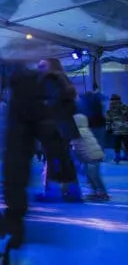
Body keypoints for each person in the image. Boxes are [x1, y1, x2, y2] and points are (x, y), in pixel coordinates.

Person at [35, 58, 81, 203]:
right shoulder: (65, 81)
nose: (39, 68)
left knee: (53, 159)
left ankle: (52, 192)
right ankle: (72, 192)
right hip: (65, 127)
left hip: (53, 127)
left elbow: (49, 104)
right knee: (64, 159)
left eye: (42, 65)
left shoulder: (50, 80)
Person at [72, 113, 109, 202]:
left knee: (93, 176)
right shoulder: (86, 130)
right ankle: (96, 192)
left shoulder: (78, 132)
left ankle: (102, 193)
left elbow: (76, 145)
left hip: (91, 158)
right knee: (92, 176)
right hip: (95, 156)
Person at [107, 94, 128, 163]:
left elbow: (108, 120)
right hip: (126, 129)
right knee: (126, 144)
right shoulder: (125, 107)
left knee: (117, 145)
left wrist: (108, 129)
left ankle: (117, 157)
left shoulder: (110, 109)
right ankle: (126, 156)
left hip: (116, 130)